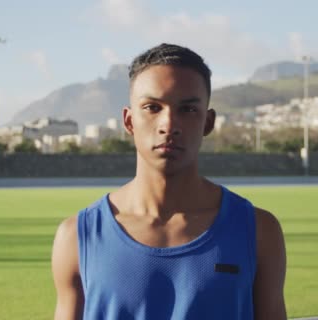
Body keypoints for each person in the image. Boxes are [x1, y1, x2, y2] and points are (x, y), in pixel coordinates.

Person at [52, 43, 287, 320]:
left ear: (208, 122)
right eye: (152, 107)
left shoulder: (259, 232)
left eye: (187, 110)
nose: (169, 124)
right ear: (129, 121)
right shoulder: (77, 237)